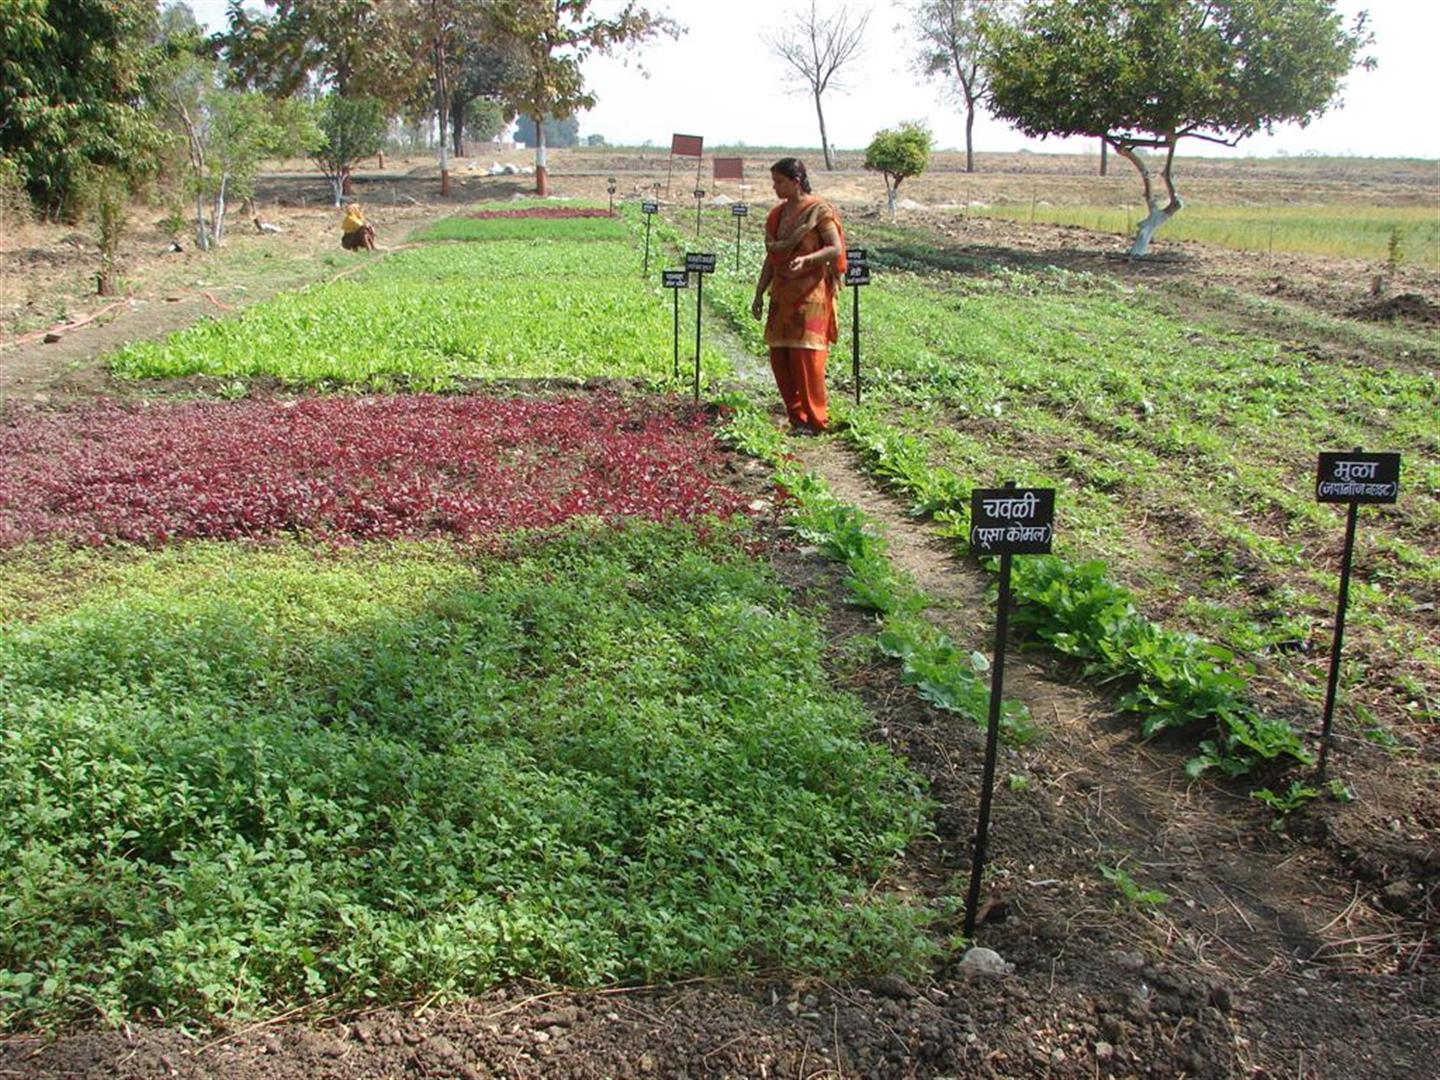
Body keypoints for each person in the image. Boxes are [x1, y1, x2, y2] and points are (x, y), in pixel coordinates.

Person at [750, 157, 846, 435]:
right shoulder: (777, 216)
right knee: (780, 357)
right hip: (782, 295)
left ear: (795, 182)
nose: (775, 187)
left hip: (811, 295)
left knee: (807, 359)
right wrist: (759, 293)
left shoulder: (819, 211)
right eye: (773, 181)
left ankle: (816, 420)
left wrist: (807, 261)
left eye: (779, 182)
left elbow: (834, 249)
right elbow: (772, 257)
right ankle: (797, 417)